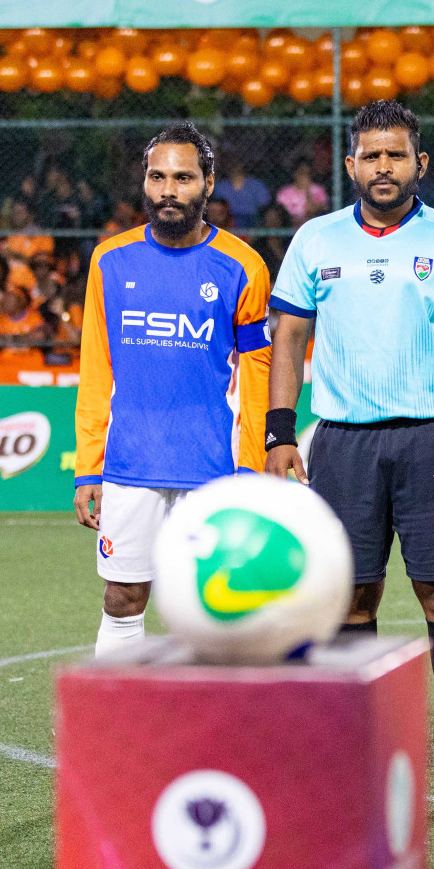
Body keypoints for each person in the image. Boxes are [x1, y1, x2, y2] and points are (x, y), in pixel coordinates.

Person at [264, 100, 434, 812]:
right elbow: (287, 339)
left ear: (419, 164)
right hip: (343, 443)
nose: (383, 167)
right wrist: (281, 433)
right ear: (351, 165)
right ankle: (354, 756)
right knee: (350, 599)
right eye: (371, 155)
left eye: (396, 155)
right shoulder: (315, 239)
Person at [73, 123, 272, 657]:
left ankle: (220, 730)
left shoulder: (243, 267)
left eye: (183, 177)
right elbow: (96, 369)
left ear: (208, 184)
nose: (168, 190)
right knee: (122, 596)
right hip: (130, 464)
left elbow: (257, 379)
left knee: (222, 608)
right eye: (157, 176)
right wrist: (89, 467)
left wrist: (252, 472)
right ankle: (113, 724)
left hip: (214, 469)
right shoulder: (109, 261)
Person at [213, 154, 271, 230]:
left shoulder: (256, 185)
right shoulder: (220, 186)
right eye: (229, 162)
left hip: (253, 220)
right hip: (228, 221)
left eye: (236, 162)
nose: (233, 165)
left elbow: (265, 205)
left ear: (242, 164)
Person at [275, 159, 329, 224]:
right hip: (290, 223)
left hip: (311, 222)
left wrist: (307, 191)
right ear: (295, 174)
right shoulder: (285, 193)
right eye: (302, 173)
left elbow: (311, 210)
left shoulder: (319, 191)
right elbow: (282, 213)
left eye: (308, 174)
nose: (305, 176)